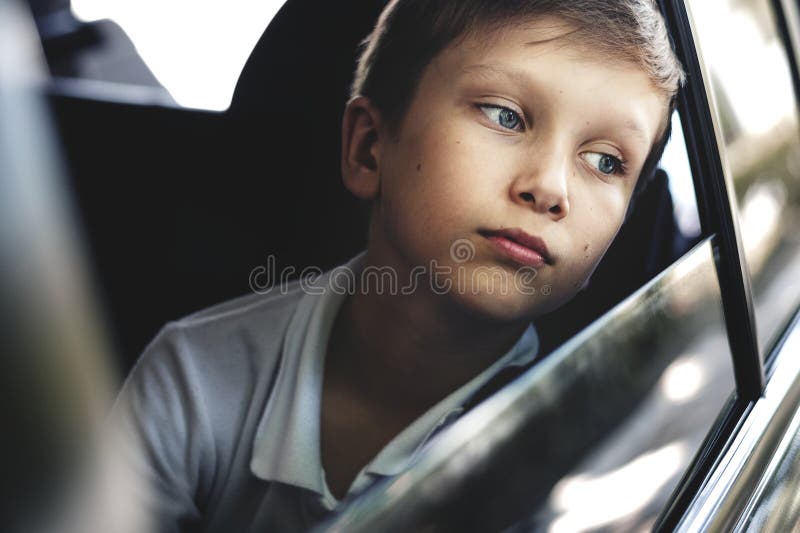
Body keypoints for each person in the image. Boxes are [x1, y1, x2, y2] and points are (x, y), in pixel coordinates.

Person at [110, 0, 685, 531]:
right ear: (368, 149)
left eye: (607, 161)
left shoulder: (596, 458)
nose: (551, 188)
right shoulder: (190, 379)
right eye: (505, 116)